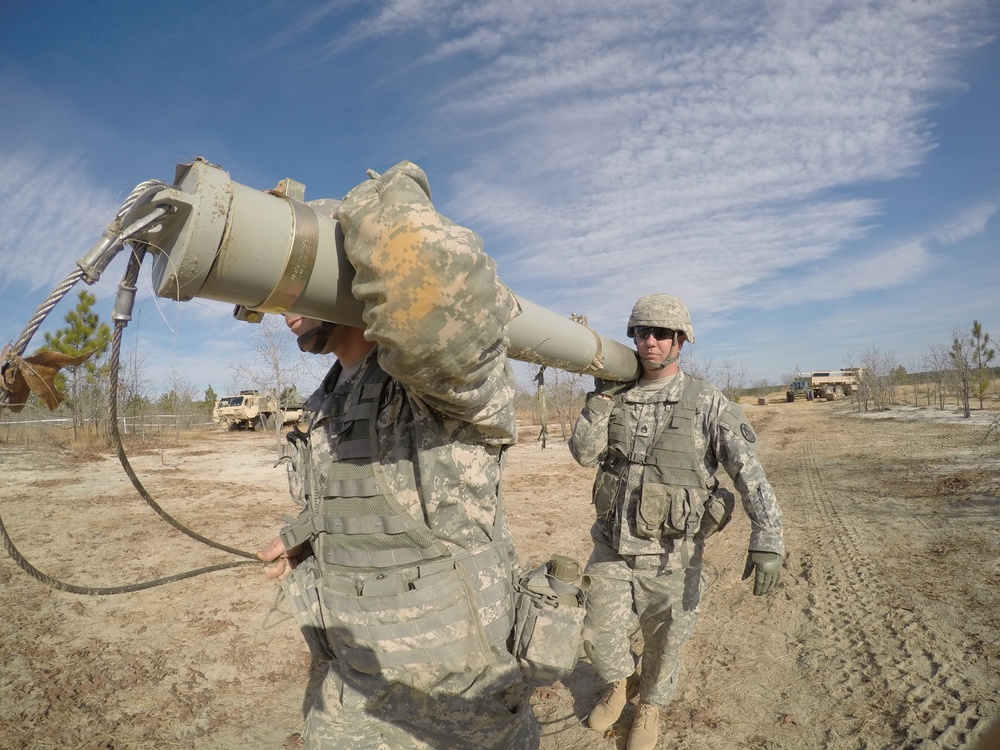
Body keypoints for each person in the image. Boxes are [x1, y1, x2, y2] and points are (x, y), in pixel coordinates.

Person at [257, 161, 538, 749]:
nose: (285, 305)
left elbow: (432, 296)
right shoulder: (325, 401)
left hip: (453, 712)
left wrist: (363, 202)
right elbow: (374, 508)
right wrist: (304, 533)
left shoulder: (434, 392)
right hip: (352, 693)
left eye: (301, 279)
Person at [569, 293, 785, 750]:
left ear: (681, 341)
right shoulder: (614, 395)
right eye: (641, 332)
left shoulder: (706, 402)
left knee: (665, 643)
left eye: (661, 333)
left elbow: (749, 473)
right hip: (611, 546)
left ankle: (649, 706)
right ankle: (617, 684)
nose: (650, 341)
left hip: (673, 555)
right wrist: (600, 399)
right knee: (597, 632)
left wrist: (767, 537)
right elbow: (584, 453)